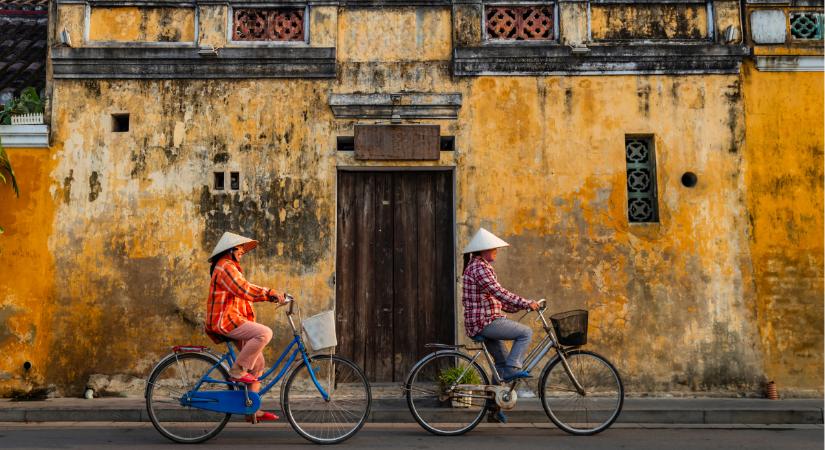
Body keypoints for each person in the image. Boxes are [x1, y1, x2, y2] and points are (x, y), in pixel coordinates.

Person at [205, 231, 285, 423]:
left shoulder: (230, 267)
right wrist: (270, 292)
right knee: (265, 333)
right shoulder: (225, 266)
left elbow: (243, 295)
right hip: (225, 321)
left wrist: (270, 296)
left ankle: (250, 409)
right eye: (239, 248)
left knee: (257, 364)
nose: (242, 252)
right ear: (230, 250)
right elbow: (245, 289)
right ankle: (237, 370)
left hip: (234, 319)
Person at [462, 227, 539, 423]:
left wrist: (521, 307)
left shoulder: (479, 266)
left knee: (500, 366)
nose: (497, 252)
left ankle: (493, 410)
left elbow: (498, 300)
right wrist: (525, 302)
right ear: (485, 250)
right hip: (485, 322)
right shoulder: (479, 267)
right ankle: (512, 370)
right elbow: (499, 292)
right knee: (525, 333)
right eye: (495, 249)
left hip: (486, 320)